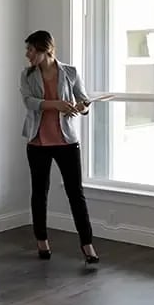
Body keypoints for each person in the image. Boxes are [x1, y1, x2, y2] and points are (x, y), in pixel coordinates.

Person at [19, 30, 100, 265]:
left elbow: (84, 103)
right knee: (39, 193)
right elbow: (29, 102)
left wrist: (81, 107)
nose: (28, 55)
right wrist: (57, 105)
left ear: (45, 49)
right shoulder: (27, 75)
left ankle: (87, 244)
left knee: (76, 194)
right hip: (37, 142)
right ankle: (41, 240)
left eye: (31, 50)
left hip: (67, 142)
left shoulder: (70, 72)